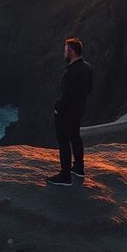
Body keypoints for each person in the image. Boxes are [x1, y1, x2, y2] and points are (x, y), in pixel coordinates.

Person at [47, 38, 93, 187]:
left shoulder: (72, 72)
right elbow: (89, 90)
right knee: (75, 137)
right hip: (79, 111)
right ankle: (79, 168)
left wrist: (57, 107)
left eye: (65, 50)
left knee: (64, 142)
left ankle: (65, 176)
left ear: (72, 52)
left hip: (66, 113)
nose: (64, 53)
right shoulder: (87, 67)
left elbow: (66, 96)